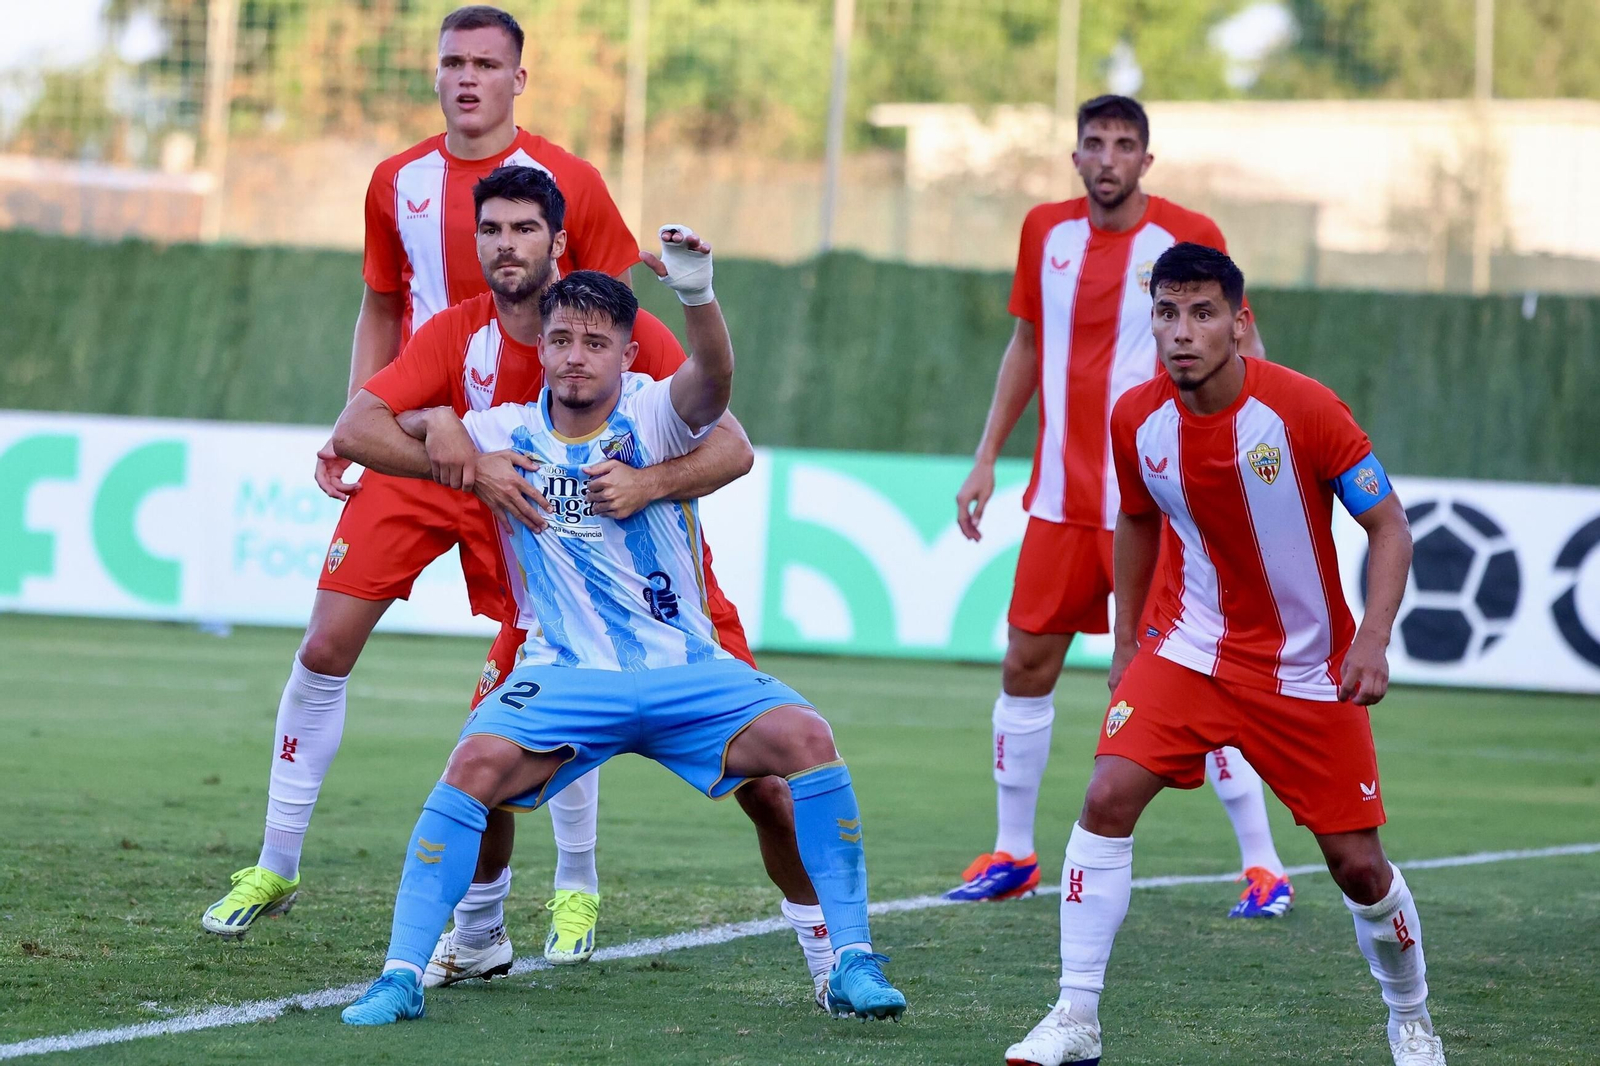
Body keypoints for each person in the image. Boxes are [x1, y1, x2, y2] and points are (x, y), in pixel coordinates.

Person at [202, 9, 829, 993]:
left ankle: (582, 887)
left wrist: (653, 453)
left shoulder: (576, 212)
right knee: (333, 646)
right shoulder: (402, 200)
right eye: (451, 61)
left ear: (519, 80)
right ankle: (281, 862)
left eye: (486, 64)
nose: (466, 79)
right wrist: (383, 434)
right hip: (436, 448)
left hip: (565, 489)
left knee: (596, 689)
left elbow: (639, 337)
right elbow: (378, 306)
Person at [330, 233, 908, 1027]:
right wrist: (441, 433)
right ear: (542, 344)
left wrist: (698, 294)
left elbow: (715, 382)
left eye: (596, 344)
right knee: (471, 766)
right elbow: (356, 431)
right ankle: (400, 973)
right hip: (567, 672)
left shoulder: (654, 415)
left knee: (807, 740)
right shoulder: (498, 432)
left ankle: (849, 960)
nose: (575, 357)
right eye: (562, 339)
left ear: (627, 354)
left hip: (684, 668)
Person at [1004, 243, 1443, 1066]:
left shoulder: (1306, 412)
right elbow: (1135, 520)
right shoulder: (1136, 417)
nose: (1182, 332)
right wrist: (1130, 640)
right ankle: (1075, 1015)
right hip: (1191, 652)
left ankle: (1411, 1016)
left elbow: (1390, 527)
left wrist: (1373, 641)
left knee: (1357, 867)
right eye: (1167, 313)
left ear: (1240, 324)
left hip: (1308, 671)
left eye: (1203, 312)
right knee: (1105, 797)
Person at [949, 95, 1291, 920]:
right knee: (1025, 666)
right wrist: (988, 456)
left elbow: (1243, 341)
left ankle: (1264, 866)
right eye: (1094, 143)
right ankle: (1013, 851)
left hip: (1163, 508)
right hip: (1062, 503)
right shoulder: (1045, 232)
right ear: (1075, 157)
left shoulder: (1188, 232)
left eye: (1124, 145)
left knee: (1200, 678)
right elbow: (1027, 344)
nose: (1107, 158)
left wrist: (1255, 456)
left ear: (1147, 159)